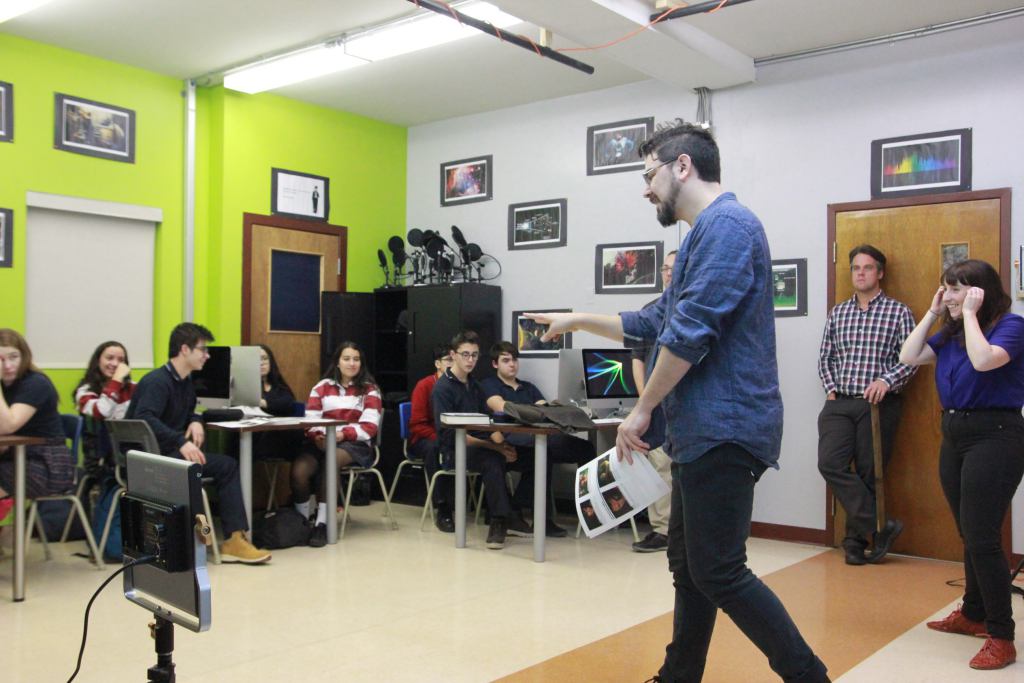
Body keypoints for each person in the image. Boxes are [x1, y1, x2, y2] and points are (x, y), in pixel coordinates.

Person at [528, 120, 828, 682]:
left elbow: (688, 335)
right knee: (689, 567)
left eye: (649, 175)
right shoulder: (699, 237)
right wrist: (578, 319)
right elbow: (654, 321)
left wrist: (642, 409)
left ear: (682, 166)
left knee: (719, 570)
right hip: (700, 432)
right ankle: (678, 676)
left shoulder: (729, 227)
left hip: (725, 428)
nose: (646, 189)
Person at [899, 259, 1024, 671]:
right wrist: (933, 311)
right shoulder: (951, 331)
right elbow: (908, 355)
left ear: (980, 292)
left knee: (982, 536)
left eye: (956, 289)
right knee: (968, 532)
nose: (949, 296)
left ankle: (1001, 636)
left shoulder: (1011, 326)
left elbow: (985, 360)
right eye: (945, 288)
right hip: (955, 434)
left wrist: (968, 315)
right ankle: (973, 613)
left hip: (997, 435)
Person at [126, 322, 271, 564]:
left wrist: (195, 420)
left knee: (227, 466)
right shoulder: (157, 382)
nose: (207, 355)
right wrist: (179, 441)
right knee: (205, 467)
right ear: (185, 350)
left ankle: (234, 540)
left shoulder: (185, 383)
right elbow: (144, 418)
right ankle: (197, 539)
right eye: (202, 349)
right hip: (151, 458)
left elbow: (191, 410)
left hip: (169, 454)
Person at [817, 244, 916, 565]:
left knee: (870, 473)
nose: (860, 273)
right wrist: (831, 389)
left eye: (867, 267)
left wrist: (886, 381)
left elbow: (911, 358)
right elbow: (826, 357)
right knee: (830, 463)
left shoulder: (898, 312)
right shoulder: (838, 312)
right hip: (839, 403)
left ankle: (855, 544)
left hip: (877, 405)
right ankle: (880, 524)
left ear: (880, 273)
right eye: (856, 268)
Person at [481, 340, 595, 538]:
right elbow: (500, 406)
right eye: (506, 360)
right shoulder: (489, 385)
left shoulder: (528, 387)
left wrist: (544, 410)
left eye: (514, 360)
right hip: (512, 439)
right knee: (543, 452)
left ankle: (592, 509)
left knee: (585, 448)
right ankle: (541, 519)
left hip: (539, 436)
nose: (512, 364)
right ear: (495, 364)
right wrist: (534, 410)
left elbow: (545, 410)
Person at [432, 330, 531, 550]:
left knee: (529, 456)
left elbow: (487, 422)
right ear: (453, 355)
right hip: (454, 451)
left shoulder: (475, 385)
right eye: (465, 354)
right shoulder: (443, 388)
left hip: (479, 446)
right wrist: (495, 448)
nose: (470, 360)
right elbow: (449, 435)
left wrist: (503, 445)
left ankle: (512, 510)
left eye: (475, 355)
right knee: (492, 460)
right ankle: (499, 520)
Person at [291, 341, 381, 547]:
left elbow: (369, 427)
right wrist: (318, 437)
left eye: (356, 359)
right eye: (346, 359)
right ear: (337, 362)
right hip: (321, 440)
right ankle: (302, 522)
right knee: (299, 471)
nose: (352, 363)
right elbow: (311, 420)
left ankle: (322, 523)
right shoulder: (321, 387)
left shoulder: (370, 389)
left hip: (354, 444)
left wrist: (340, 436)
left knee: (331, 461)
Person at [0, 329, 74, 523]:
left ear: (24, 356)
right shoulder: (5, 386)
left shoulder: (35, 383)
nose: (7, 365)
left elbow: (8, 425)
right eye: (0, 359)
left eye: (13, 357)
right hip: (16, 458)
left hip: (47, 466)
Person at [630, 250, 676, 553]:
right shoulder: (651, 312)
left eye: (674, 268)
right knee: (658, 465)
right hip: (656, 406)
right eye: (664, 269)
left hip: (684, 403)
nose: (668, 273)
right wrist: (645, 401)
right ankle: (662, 529)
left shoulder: (691, 309)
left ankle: (681, 529)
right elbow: (638, 359)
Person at [74, 340, 137, 478]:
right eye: (109, 358)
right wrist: (116, 380)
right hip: (101, 458)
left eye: (121, 360)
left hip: (129, 451)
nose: (115, 364)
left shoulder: (133, 388)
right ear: (98, 361)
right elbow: (102, 411)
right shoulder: (85, 391)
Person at [409, 344, 454, 532]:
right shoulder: (425, 385)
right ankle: (442, 505)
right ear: (438, 364)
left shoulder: (461, 385)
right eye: (448, 360)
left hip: (453, 436)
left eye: (455, 359)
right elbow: (417, 424)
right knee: (435, 448)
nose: (453, 364)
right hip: (425, 438)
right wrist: (440, 438)